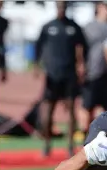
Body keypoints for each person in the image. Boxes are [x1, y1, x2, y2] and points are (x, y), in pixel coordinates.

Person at [34, 1, 87, 157]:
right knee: (48, 109)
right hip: (52, 75)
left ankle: (70, 146)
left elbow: (82, 47)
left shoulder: (74, 27)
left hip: (69, 74)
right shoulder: (48, 27)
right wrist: (37, 66)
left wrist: (81, 65)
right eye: (59, 6)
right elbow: (38, 47)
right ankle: (46, 144)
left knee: (71, 109)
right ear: (56, 8)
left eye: (64, 6)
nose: (61, 9)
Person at [81, 1, 107, 135]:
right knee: (88, 106)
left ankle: (104, 136)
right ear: (99, 7)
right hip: (92, 72)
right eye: (106, 7)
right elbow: (80, 49)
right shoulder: (89, 27)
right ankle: (86, 135)